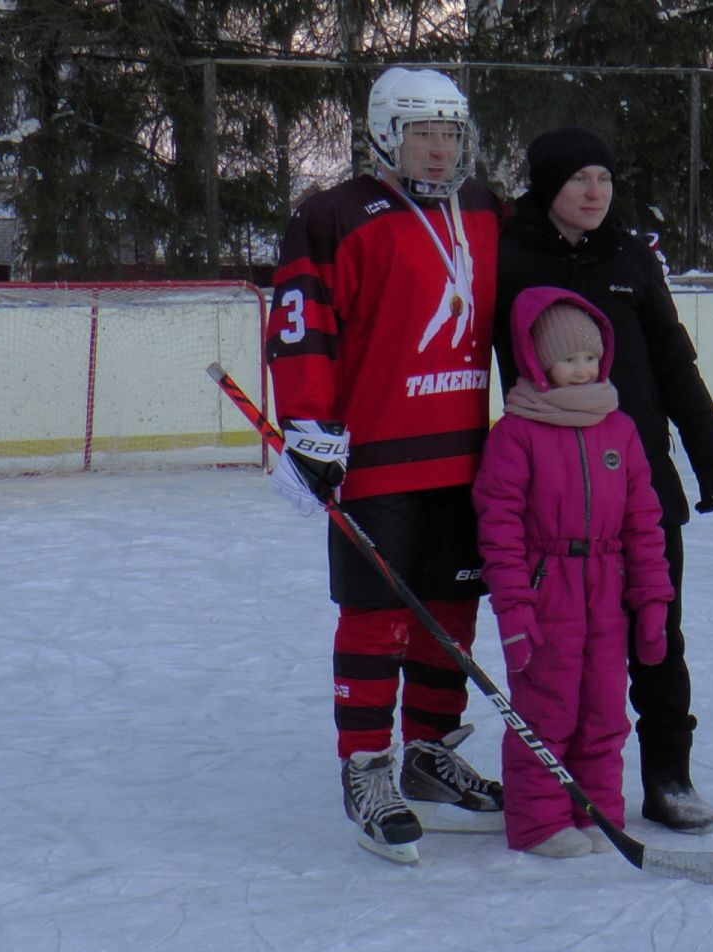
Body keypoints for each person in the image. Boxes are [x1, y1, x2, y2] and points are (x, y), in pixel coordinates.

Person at [265, 66, 504, 864]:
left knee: (453, 611)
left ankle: (430, 755)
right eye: (421, 133)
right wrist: (311, 431)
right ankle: (366, 767)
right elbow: (302, 329)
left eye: (450, 133)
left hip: (468, 457)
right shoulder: (333, 216)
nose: (438, 150)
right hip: (377, 461)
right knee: (377, 619)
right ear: (383, 134)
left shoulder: (483, 208)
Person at [494, 125, 713, 834]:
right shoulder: (506, 257)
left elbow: (671, 357)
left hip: (639, 484)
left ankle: (668, 774)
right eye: (578, 180)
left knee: (658, 633)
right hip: (550, 503)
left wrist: (706, 448)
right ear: (546, 187)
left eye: (604, 178)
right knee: (561, 650)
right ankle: (554, 778)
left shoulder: (631, 255)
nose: (595, 192)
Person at [472, 287, 673, 857]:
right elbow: (500, 525)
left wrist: (653, 601)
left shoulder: (619, 430)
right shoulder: (516, 434)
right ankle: (538, 823)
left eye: (590, 357)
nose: (582, 370)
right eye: (568, 360)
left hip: (607, 585)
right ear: (539, 363)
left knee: (606, 708)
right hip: (547, 587)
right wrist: (513, 609)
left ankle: (597, 814)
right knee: (546, 707)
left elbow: (644, 520)